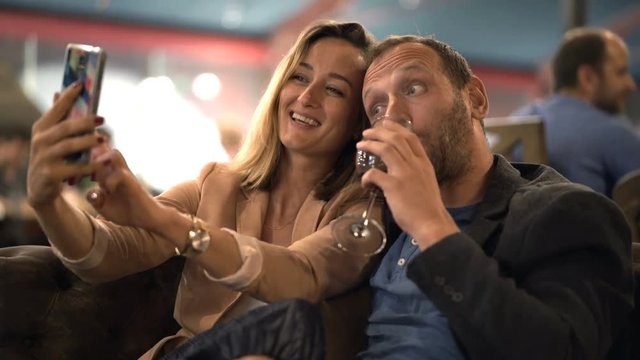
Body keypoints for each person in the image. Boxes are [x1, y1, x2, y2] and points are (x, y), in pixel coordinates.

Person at [164, 34, 634, 360]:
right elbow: (301, 274)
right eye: (377, 107)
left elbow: (560, 352)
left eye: (414, 88)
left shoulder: (564, 211)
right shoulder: (376, 218)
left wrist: (432, 224)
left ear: (475, 99)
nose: (395, 116)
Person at [26, 20, 380, 359]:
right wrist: (48, 201)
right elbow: (104, 254)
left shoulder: (363, 210)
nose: (306, 96)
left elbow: (303, 275)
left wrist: (172, 224)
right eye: (299, 77)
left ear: (357, 122)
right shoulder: (216, 183)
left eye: (334, 89)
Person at [513, 27, 640, 197]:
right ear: (587, 77)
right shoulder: (612, 131)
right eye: (621, 72)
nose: (630, 84)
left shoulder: (518, 120)